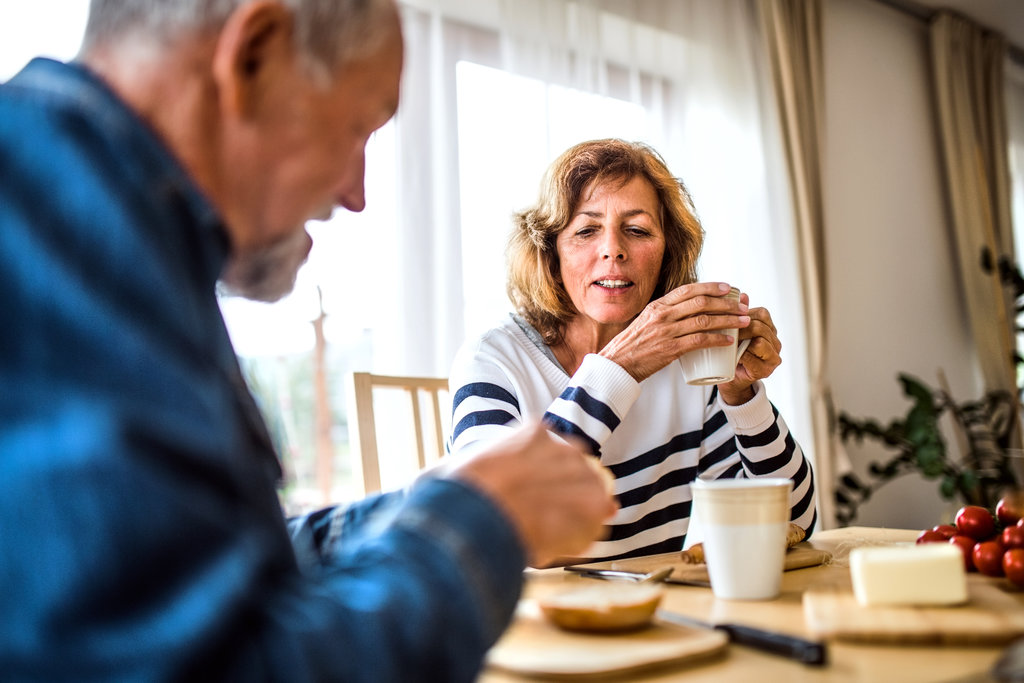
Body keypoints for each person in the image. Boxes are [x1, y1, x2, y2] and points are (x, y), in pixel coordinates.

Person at [0, 1, 618, 680]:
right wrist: (479, 524)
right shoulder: (54, 229)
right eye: (359, 128)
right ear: (253, 55)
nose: (355, 194)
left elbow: (187, 573)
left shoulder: (96, 213)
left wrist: (420, 507)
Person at [448, 138, 817, 562]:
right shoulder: (495, 358)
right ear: (550, 253)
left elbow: (796, 522)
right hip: (537, 619)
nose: (613, 249)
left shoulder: (689, 365)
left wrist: (743, 397)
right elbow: (487, 527)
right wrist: (619, 368)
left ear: (667, 252)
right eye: (586, 230)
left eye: (638, 230)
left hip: (655, 614)